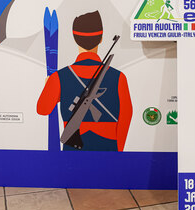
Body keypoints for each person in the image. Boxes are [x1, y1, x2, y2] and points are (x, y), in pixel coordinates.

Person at [36, 11, 133, 151]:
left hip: (72, 149)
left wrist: (48, 86)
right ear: (101, 39)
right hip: (108, 148)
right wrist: (118, 151)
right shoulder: (119, 77)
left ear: (75, 38)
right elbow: (125, 117)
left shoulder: (58, 77)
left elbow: (42, 109)